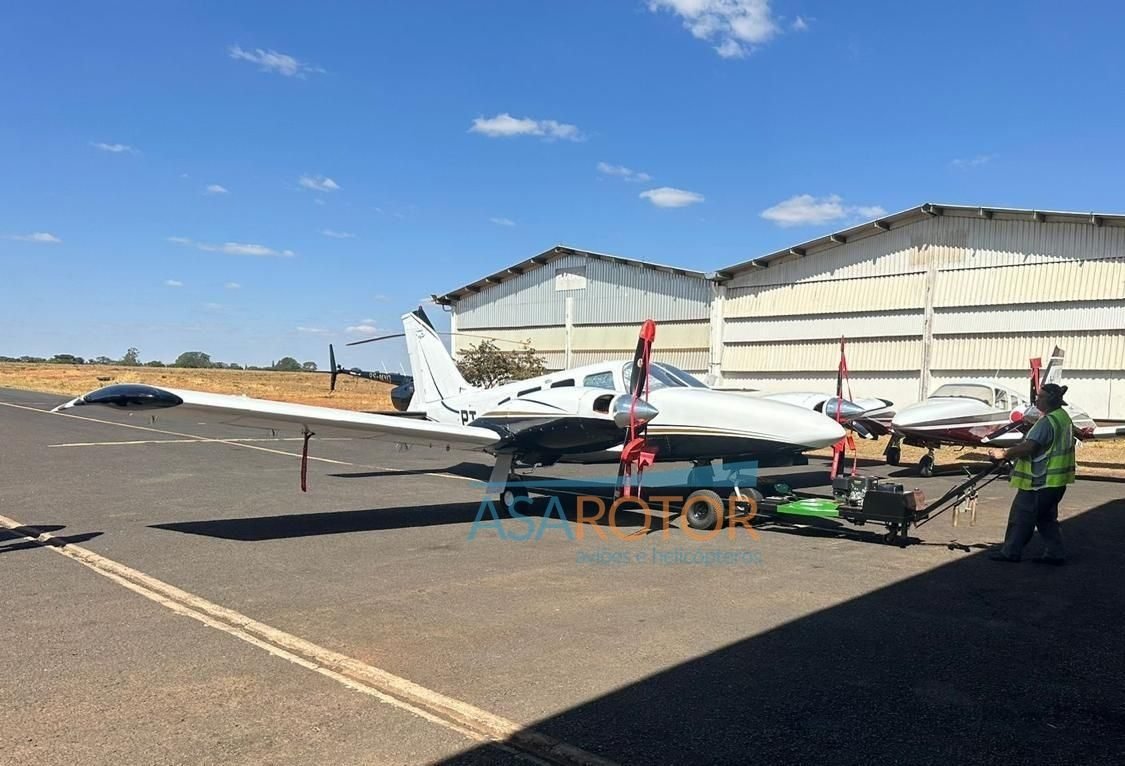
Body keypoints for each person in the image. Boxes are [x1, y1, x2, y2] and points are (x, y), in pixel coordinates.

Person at [987, 383, 1076, 564]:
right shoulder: (1063, 418)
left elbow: (1030, 446)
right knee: (1046, 519)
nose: (1036, 399)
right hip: (1056, 482)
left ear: (1050, 400)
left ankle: (1011, 552)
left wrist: (1003, 453)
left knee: (1020, 517)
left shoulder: (1046, 422)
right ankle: (1055, 553)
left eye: (1040, 397)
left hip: (1039, 482)